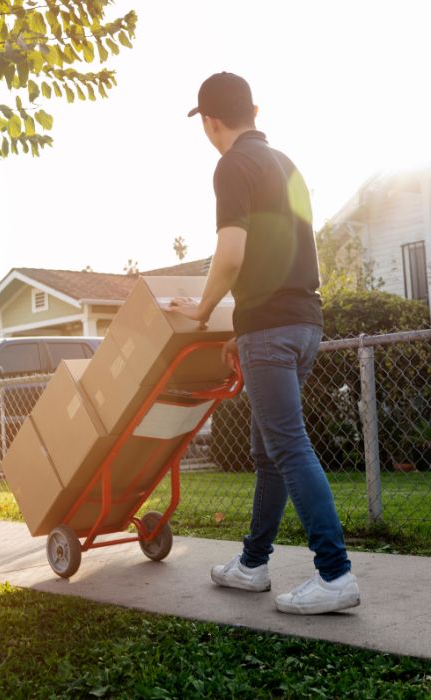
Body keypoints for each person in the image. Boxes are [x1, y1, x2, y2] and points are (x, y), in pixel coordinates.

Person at [169, 72, 360, 615]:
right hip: (302, 323)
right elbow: (280, 253)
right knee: (270, 452)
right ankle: (253, 564)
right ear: (254, 109)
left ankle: (335, 573)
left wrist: (203, 312)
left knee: (288, 447)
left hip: (272, 331)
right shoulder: (286, 164)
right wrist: (239, 328)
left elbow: (231, 254)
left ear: (210, 121)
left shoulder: (232, 165)